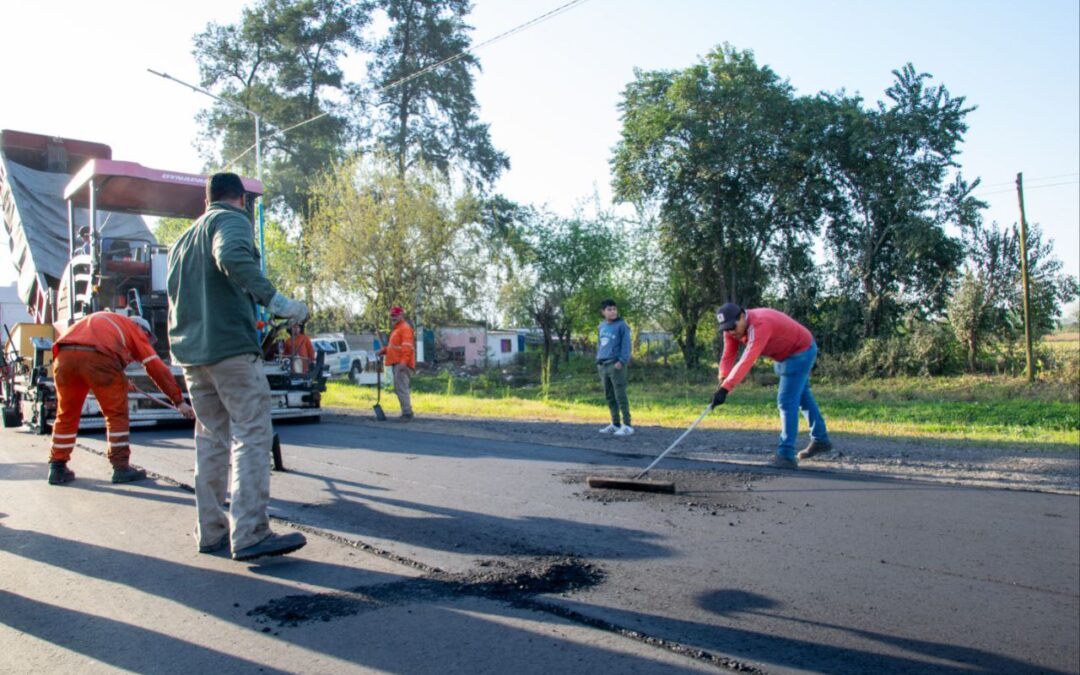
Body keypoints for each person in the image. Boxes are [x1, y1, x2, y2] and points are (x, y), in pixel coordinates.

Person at [167, 172, 309, 562]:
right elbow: (230, 256)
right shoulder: (231, 221)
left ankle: (211, 531)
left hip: (193, 356)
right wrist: (276, 302)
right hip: (230, 349)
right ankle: (249, 532)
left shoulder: (182, 241)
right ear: (242, 200)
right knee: (251, 433)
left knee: (211, 441)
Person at [46, 311, 195, 485]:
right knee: (116, 415)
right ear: (142, 329)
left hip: (64, 357)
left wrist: (119, 376)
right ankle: (121, 468)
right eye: (147, 339)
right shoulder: (135, 329)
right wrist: (179, 401)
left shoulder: (105, 321)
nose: (146, 342)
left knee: (66, 414)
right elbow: (156, 367)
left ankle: (57, 467)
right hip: (98, 358)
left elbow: (92, 350)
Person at [710, 303, 832, 469]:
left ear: (741, 316)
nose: (731, 331)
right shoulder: (731, 330)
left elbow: (747, 359)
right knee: (802, 397)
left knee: (786, 401)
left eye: (733, 326)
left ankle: (786, 455)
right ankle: (821, 439)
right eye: (726, 328)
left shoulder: (759, 324)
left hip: (801, 351)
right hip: (785, 355)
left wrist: (727, 388)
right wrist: (722, 380)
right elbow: (728, 355)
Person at [596, 299, 633, 436]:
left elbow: (626, 345)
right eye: (609, 309)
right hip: (603, 365)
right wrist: (598, 359)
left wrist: (622, 361)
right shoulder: (601, 326)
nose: (612, 312)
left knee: (620, 395)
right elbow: (599, 344)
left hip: (616, 365)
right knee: (609, 396)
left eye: (614, 309)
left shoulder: (622, 325)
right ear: (603, 312)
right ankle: (615, 424)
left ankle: (627, 425)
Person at [376, 306, 415, 421]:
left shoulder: (405, 328)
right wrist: (383, 351)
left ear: (401, 315)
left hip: (401, 364)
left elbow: (407, 348)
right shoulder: (397, 329)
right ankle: (406, 412)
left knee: (402, 388)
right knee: (399, 388)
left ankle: (407, 413)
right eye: (392, 315)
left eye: (395, 315)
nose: (393, 317)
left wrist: (403, 363)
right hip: (397, 363)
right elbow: (393, 347)